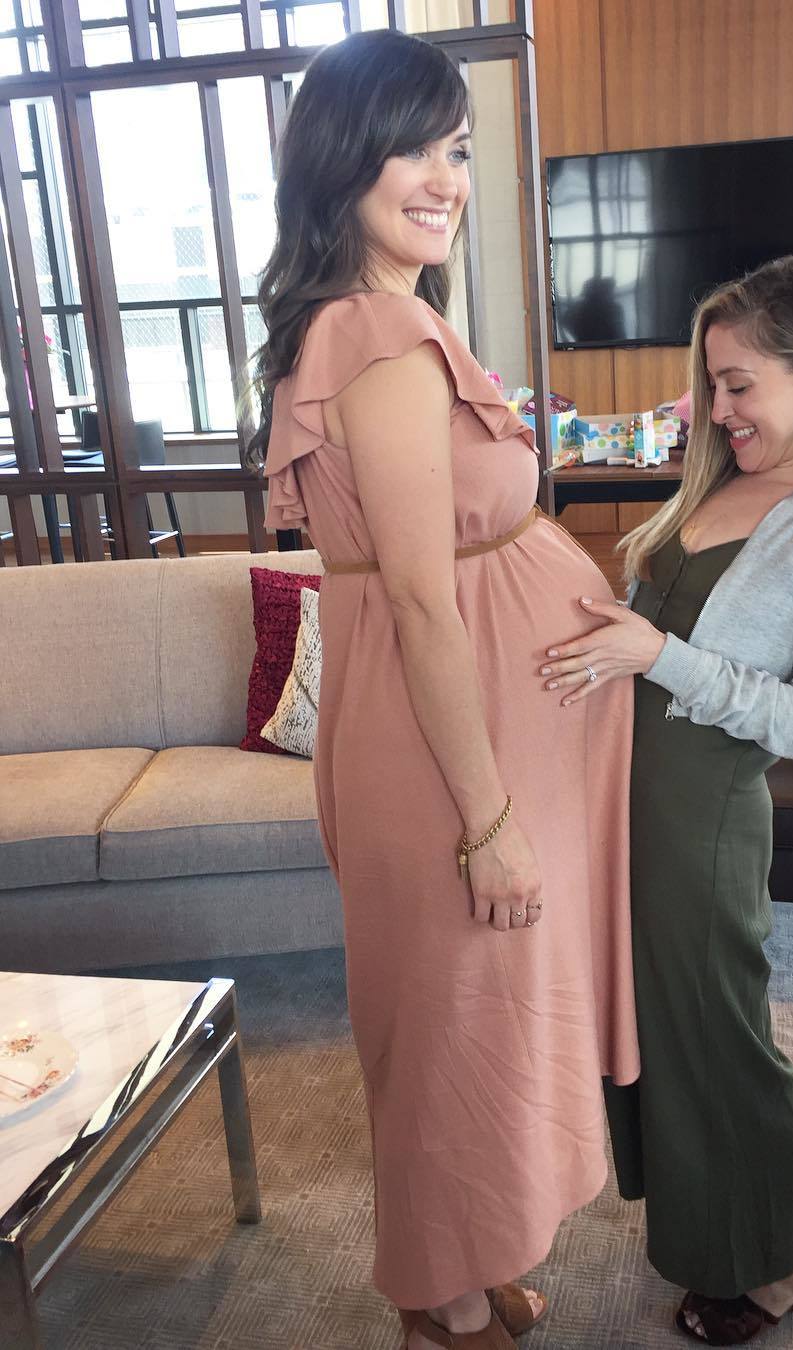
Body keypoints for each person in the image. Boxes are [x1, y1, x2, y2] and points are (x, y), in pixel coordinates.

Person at [249, 31, 639, 1350]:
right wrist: (489, 818)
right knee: (453, 1023)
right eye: (411, 148)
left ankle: (463, 1258)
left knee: (467, 1016)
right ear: (341, 161)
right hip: (446, 753)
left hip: (448, 728)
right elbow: (422, 601)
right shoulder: (378, 336)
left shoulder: (369, 321)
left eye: (456, 149)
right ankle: (441, 1299)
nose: (444, 178)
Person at [536, 255, 793, 1346]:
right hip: (620, 793)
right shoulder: (713, 485)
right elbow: (640, 631)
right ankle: (705, 1237)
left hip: (702, 812)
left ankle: (783, 1265)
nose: (717, 410)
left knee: (720, 1034)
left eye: (739, 383)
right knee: (656, 1025)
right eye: (711, 384)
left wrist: (655, 654)